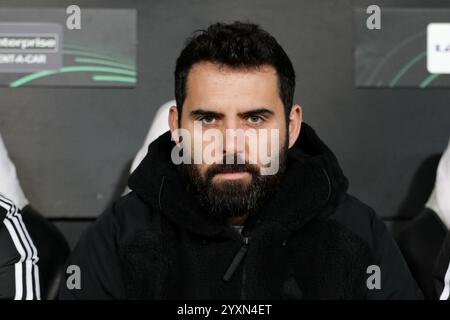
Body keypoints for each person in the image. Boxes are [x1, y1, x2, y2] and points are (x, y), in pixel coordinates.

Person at [60, 21, 423, 299]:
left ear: (292, 127)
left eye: (254, 119)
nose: (231, 145)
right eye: (208, 119)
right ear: (176, 127)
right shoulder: (120, 237)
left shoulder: (357, 234)